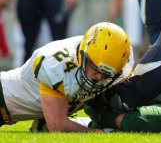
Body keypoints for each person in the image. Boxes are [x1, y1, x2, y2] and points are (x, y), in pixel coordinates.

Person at [0, 22, 134, 132]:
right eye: (95, 68)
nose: (99, 77)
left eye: (106, 74)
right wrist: (98, 133)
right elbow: (58, 126)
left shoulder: (120, 61)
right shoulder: (56, 63)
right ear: (83, 54)